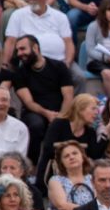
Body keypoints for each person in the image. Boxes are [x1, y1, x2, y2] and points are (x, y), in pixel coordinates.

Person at [11, 34, 75, 163]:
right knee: (36, 125)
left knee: (67, 125)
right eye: (18, 50)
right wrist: (47, 114)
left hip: (61, 111)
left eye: (23, 49)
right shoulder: (19, 73)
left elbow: (68, 96)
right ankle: (32, 166)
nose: (19, 53)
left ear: (35, 47)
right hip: (35, 112)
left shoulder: (59, 67)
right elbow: (28, 102)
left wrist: (60, 118)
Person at [36, 92, 110, 193]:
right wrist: (75, 150)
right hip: (51, 175)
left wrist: (107, 132)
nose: (97, 113)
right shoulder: (59, 124)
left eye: (97, 109)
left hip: (76, 180)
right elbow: (48, 149)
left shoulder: (90, 131)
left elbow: (95, 155)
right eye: (93, 109)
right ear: (80, 109)